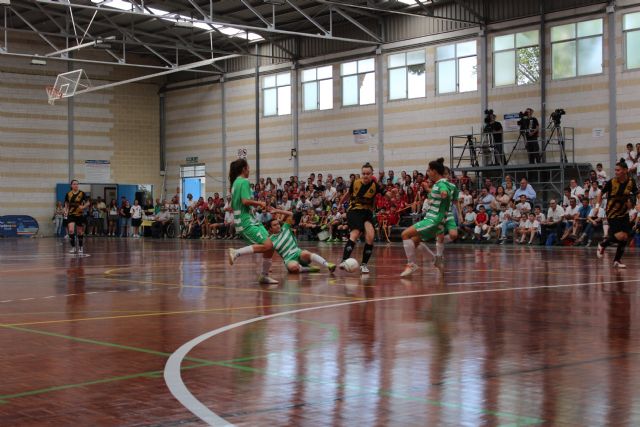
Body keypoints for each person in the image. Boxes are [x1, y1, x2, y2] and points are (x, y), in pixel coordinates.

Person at [227, 158, 278, 284]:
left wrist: (254, 207)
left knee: (270, 245)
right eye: (248, 167)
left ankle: (264, 275)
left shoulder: (235, 183)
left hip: (250, 220)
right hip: (246, 222)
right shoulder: (244, 181)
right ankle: (236, 252)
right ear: (244, 169)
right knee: (268, 245)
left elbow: (235, 205)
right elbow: (245, 201)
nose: (249, 170)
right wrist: (259, 202)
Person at [400, 158, 454, 277]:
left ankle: (411, 264)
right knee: (415, 242)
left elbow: (444, 191)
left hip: (433, 220)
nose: (427, 172)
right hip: (433, 219)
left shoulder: (442, 183)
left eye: (429, 170)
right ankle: (435, 260)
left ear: (435, 171)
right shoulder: (437, 184)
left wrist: (444, 194)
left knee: (405, 234)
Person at [338, 162, 392, 274]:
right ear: (361, 174)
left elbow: (387, 195)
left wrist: (391, 195)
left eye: (368, 173)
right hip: (354, 211)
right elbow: (348, 194)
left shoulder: (375, 185)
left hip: (367, 212)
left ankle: (364, 265)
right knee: (356, 233)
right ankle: (344, 260)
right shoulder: (355, 182)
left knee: (371, 236)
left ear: (372, 174)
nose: (365, 175)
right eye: (363, 173)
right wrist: (340, 203)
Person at [595, 159, 638, 268]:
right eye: (615, 170)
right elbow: (601, 193)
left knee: (625, 237)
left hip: (624, 213)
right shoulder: (611, 182)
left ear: (625, 170)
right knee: (620, 236)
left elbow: (637, 193)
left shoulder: (631, 182)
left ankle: (617, 261)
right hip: (612, 213)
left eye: (618, 170)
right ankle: (602, 244)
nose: (616, 172)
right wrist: (597, 206)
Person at [265, 210, 335, 273]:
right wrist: (268, 267)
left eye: (278, 224)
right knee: (293, 267)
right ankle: (307, 269)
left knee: (306, 253)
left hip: (298, 253)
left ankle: (328, 264)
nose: (278, 226)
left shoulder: (285, 227)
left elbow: (291, 214)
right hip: (288, 259)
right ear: (270, 229)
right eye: (274, 225)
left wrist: (277, 210)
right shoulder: (270, 240)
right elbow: (269, 255)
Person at [64, 179, 90, 254]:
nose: (76, 185)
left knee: (79, 232)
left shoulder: (82, 193)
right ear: (71, 185)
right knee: (71, 230)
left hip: (79, 215)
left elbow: (88, 202)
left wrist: (83, 206)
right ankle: (73, 247)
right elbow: (66, 203)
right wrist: (66, 210)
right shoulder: (68, 194)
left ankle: (81, 247)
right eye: (74, 184)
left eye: (77, 184)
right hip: (71, 215)